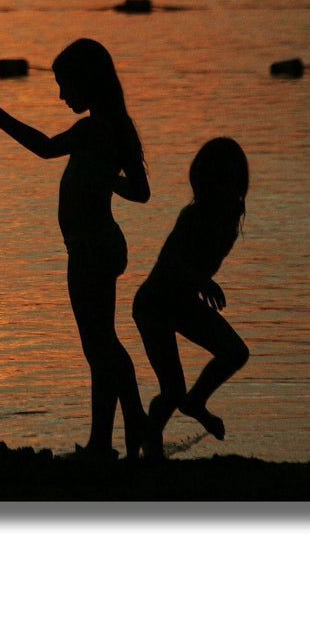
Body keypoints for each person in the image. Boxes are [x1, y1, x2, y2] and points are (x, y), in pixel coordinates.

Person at [0, 38, 150, 461]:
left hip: (90, 248)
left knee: (99, 348)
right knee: (105, 345)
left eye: (65, 85)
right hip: (103, 243)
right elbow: (142, 191)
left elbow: (42, 147)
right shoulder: (118, 126)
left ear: (87, 82)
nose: (61, 95)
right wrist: (106, 178)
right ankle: (124, 435)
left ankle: (113, 439)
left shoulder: (93, 128)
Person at [133, 137, 250, 458]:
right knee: (171, 389)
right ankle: (150, 442)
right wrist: (203, 282)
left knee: (236, 353)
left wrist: (201, 284)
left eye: (233, 178)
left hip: (182, 304)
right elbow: (169, 261)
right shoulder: (194, 216)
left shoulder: (230, 216)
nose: (228, 186)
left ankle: (196, 401)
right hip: (154, 305)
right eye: (221, 178)